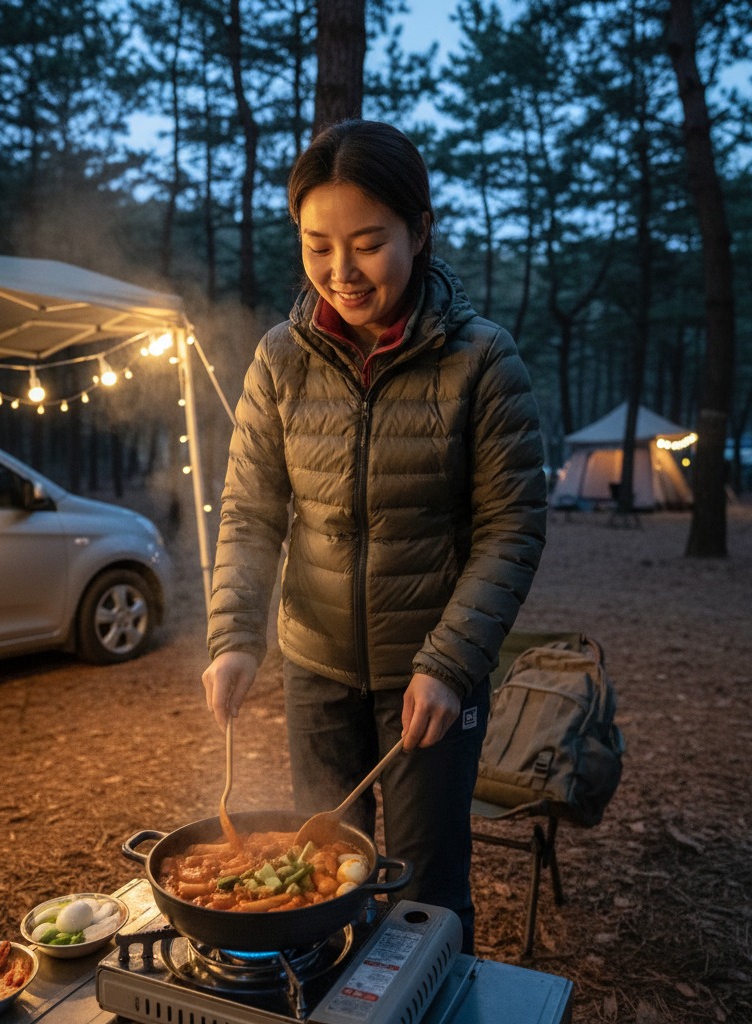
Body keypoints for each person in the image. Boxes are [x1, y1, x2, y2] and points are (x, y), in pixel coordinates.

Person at [200, 119, 547, 952]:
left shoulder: (483, 363)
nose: (340, 272)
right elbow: (251, 509)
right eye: (318, 245)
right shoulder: (281, 359)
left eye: (367, 243)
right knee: (320, 872)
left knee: (426, 888)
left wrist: (450, 663)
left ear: (421, 230)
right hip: (315, 668)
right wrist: (236, 636)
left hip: (427, 677)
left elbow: (512, 527)